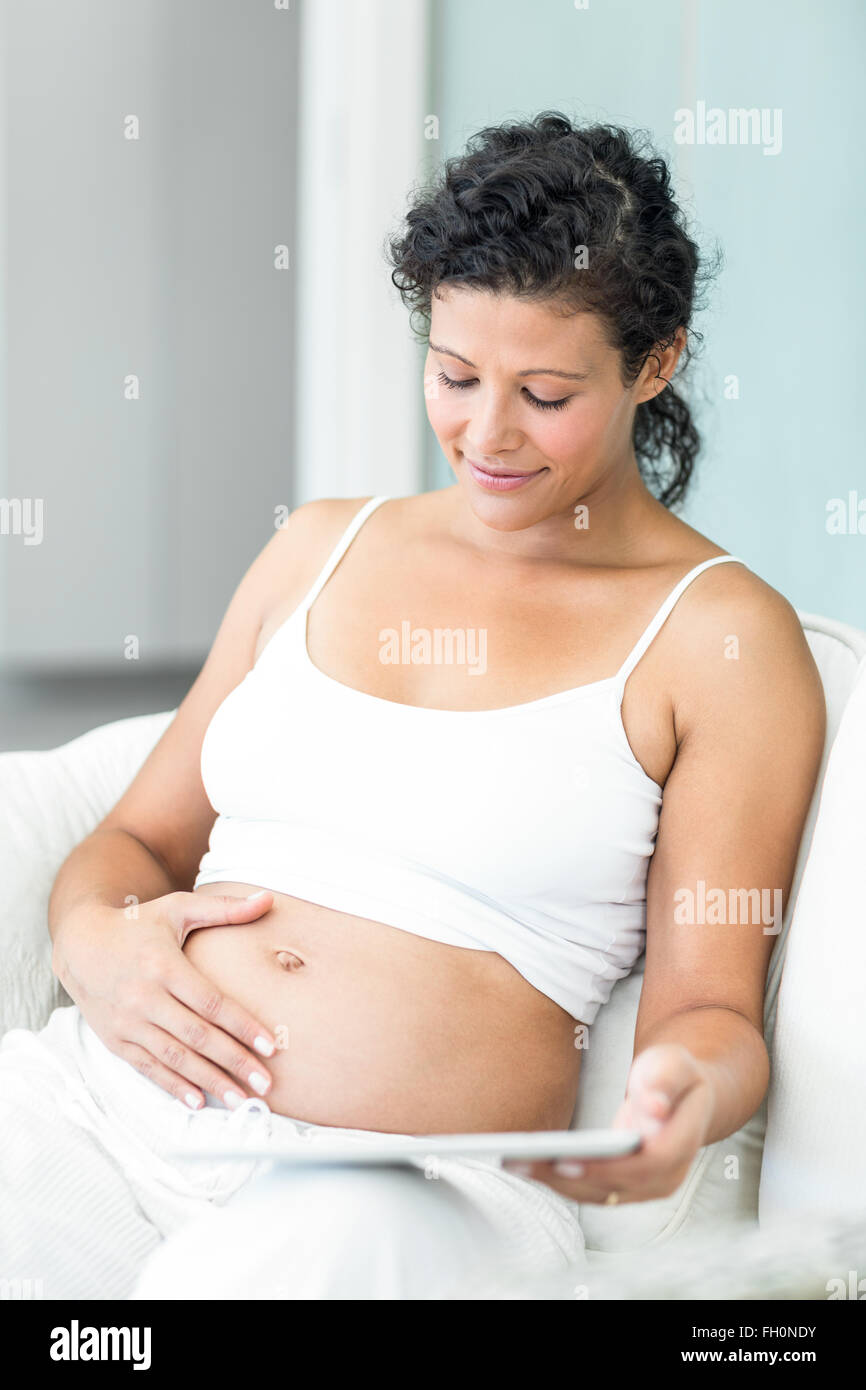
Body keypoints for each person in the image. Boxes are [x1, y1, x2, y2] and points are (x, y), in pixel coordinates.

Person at [0, 111, 825, 1299]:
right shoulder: (322, 547)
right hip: (104, 1116)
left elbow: (710, 1009)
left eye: (543, 393)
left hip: (407, 1194)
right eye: (452, 376)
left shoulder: (718, 637)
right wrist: (95, 947)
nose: (484, 435)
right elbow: (134, 842)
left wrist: (683, 1099)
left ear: (655, 363)